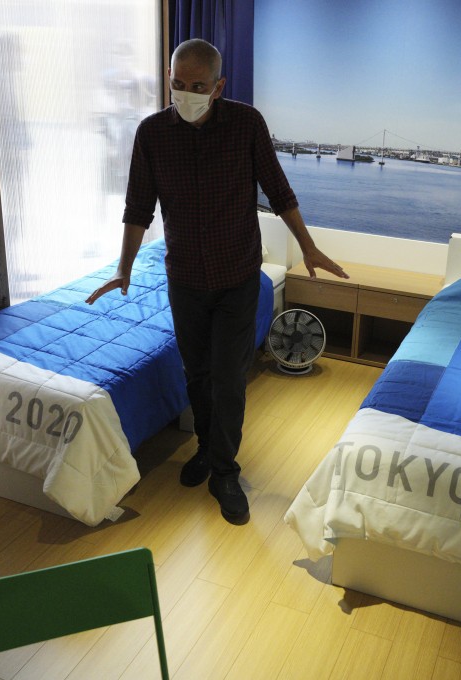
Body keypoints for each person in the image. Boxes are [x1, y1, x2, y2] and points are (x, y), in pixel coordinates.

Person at [86, 39, 347, 525]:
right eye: (177, 85)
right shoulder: (152, 134)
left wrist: (307, 246)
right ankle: (206, 449)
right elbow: (138, 207)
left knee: (229, 378)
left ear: (219, 87)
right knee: (198, 375)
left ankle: (225, 471)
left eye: (198, 87)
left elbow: (278, 189)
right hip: (184, 277)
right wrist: (124, 266)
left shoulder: (246, 124)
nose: (186, 94)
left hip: (236, 277)